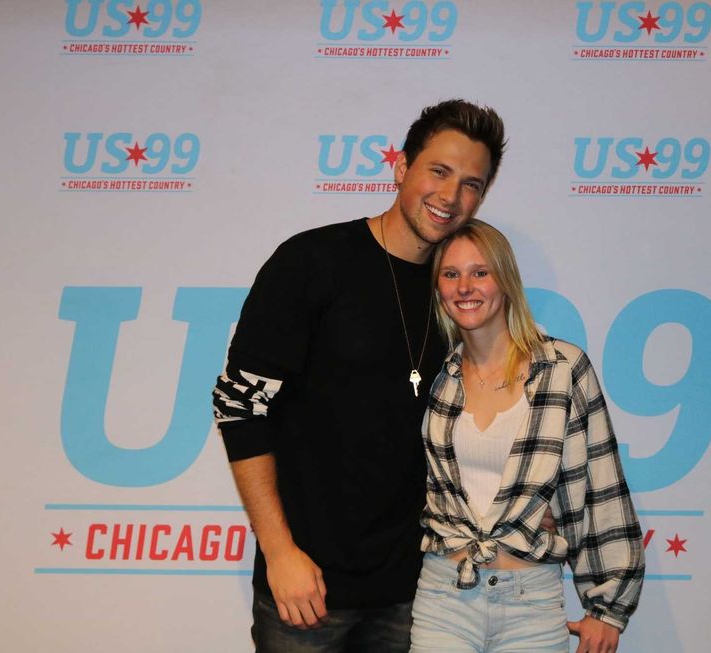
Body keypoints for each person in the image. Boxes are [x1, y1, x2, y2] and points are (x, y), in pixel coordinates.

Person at [211, 99, 506, 652]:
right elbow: (239, 405)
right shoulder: (312, 262)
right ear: (401, 167)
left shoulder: (459, 293)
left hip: (417, 591)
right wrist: (279, 552)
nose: (450, 195)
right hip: (307, 589)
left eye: (471, 183)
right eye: (439, 171)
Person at [412, 220, 645, 653]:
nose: (465, 287)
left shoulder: (562, 369)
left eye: (480, 272)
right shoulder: (435, 375)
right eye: (451, 274)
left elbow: (600, 487)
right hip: (444, 597)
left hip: (531, 605)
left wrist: (606, 609)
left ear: (505, 281)